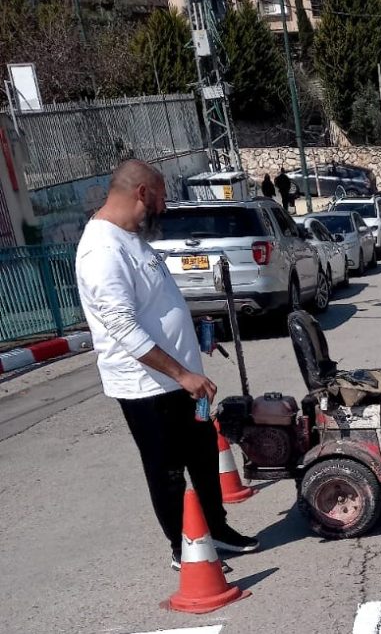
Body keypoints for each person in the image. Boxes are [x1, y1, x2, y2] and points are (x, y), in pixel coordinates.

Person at [75, 160, 259, 570]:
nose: (162, 208)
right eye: (159, 199)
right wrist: (181, 373)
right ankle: (185, 549)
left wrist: (194, 333)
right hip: (149, 389)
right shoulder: (102, 250)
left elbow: (154, 306)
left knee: (203, 458)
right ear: (141, 192)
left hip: (179, 383)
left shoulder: (129, 238)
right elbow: (122, 327)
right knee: (168, 471)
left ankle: (216, 529)